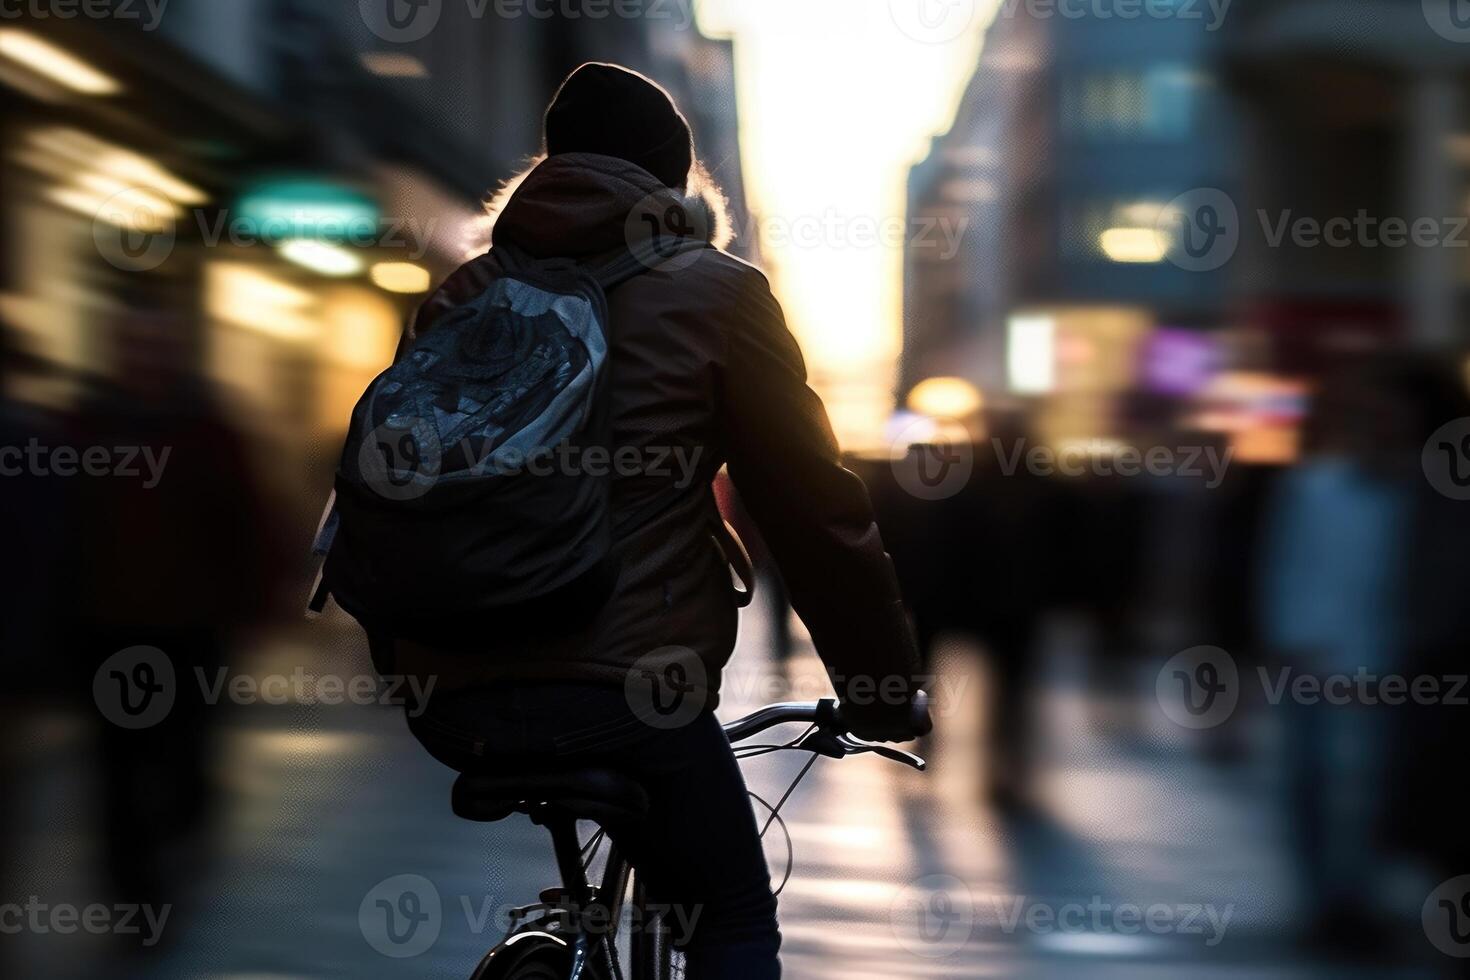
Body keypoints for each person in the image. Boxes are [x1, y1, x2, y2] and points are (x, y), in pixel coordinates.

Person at [379, 64, 923, 979]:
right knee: (734, 916)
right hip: (630, 690)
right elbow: (813, 510)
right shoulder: (718, 294)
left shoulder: (462, 297)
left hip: (450, 695)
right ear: (673, 186)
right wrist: (877, 686)